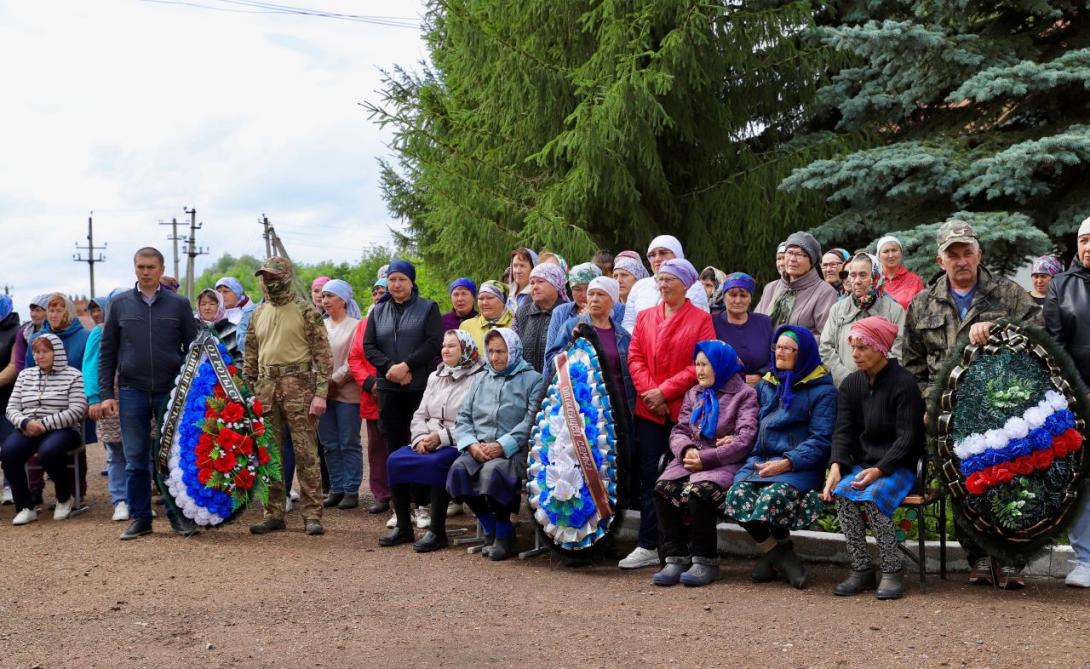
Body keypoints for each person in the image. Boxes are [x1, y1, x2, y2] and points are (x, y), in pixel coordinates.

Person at [902, 219, 1042, 587]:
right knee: (963, 485)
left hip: (1002, 407)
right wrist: (928, 405)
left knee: (1010, 479)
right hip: (948, 412)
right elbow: (912, 365)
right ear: (940, 260)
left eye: (967, 253)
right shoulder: (921, 305)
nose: (961, 260)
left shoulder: (1010, 295)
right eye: (953, 255)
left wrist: (1001, 332)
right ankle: (978, 557)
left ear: (979, 255)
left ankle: (1010, 559)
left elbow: (1038, 339)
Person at [98, 247, 198, 540]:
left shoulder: (179, 305)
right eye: (141, 266)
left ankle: (178, 516)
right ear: (134, 268)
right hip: (131, 391)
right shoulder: (119, 305)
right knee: (136, 459)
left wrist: (190, 390)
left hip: (170, 392)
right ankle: (141, 519)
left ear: (161, 268)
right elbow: (107, 353)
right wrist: (106, 393)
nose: (146, 271)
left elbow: (192, 350)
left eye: (151, 266)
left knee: (171, 458)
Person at [725, 325, 836, 589]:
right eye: (778, 347)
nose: (780, 353)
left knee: (771, 498)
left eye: (788, 348)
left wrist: (787, 462)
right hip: (760, 461)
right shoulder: (767, 384)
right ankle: (781, 554)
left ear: (804, 353)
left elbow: (821, 440)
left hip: (798, 464)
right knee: (736, 496)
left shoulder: (823, 391)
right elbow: (753, 422)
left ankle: (775, 556)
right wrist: (736, 437)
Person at [821, 316, 924, 599]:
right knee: (843, 495)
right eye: (852, 347)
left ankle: (892, 569)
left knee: (872, 496)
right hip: (864, 464)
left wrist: (880, 470)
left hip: (899, 465)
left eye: (862, 348)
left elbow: (908, 437)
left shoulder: (904, 384)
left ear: (881, 348)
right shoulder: (851, 384)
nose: (855, 354)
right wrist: (836, 466)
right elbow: (843, 431)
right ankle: (862, 569)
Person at [623, 258, 716, 569]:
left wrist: (665, 392)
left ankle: (682, 546)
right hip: (649, 411)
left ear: (685, 284)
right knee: (650, 476)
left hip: (684, 411)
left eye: (669, 280)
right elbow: (635, 357)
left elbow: (700, 364)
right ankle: (648, 543)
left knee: (684, 476)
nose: (663, 286)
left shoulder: (701, 319)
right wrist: (652, 394)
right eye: (660, 280)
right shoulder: (646, 316)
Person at [652, 340, 758, 587]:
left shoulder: (744, 394)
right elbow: (679, 430)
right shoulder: (694, 393)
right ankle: (676, 557)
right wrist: (687, 449)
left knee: (701, 494)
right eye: (697, 364)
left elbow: (745, 439)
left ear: (721, 365)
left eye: (705, 365)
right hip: (691, 459)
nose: (699, 371)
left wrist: (706, 458)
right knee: (662, 489)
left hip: (724, 463)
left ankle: (705, 560)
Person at [244, 256, 333, 537]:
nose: (268, 282)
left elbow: (324, 356)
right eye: (264, 277)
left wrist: (321, 393)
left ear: (285, 276)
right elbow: (250, 355)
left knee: (306, 453)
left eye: (272, 276)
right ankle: (273, 513)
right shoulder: (258, 313)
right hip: (266, 388)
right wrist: (250, 392)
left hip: (299, 386)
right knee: (270, 454)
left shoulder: (306, 311)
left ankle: (312, 514)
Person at [381, 330, 485, 551]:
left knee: (438, 463)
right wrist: (419, 438)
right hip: (427, 437)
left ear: (465, 349)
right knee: (394, 460)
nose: (445, 350)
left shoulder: (479, 378)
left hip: (458, 441)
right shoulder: (434, 376)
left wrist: (442, 437)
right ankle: (403, 527)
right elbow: (419, 414)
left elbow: (476, 422)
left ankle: (437, 531)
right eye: (444, 346)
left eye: (452, 346)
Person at [446, 328, 544, 561]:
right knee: (458, 470)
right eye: (490, 351)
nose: (494, 357)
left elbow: (531, 421)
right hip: (479, 447)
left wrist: (502, 445)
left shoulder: (533, 380)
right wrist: (471, 445)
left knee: (494, 471)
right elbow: (464, 418)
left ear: (513, 351)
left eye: (500, 351)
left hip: (514, 451)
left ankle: (504, 533)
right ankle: (490, 527)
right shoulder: (481, 378)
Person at [364, 259, 444, 527]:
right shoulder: (378, 311)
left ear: (412, 282)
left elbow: (434, 342)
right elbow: (369, 346)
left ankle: (421, 505)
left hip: (418, 386)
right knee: (393, 445)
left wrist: (407, 365)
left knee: (421, 443)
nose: (396, 284)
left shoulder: (427, 307)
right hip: (388, 387)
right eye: (392, 279)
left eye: (402, 279)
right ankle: (399, 509)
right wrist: (391, 369)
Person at [1044, 217, 1090, 588]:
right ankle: (1086, 558)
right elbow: (1055, 345)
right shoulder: (1061, 286)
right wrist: (1080, 389)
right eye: (1084, 240)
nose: (1089, 247)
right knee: (1082, 476)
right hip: (1079, 396)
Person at [2, 334, 88, 525]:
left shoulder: (73, 375)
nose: (40, 356)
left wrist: (44, 424)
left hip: (64, 430)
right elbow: (11, 408)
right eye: (36, 352)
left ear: (56, 352)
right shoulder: (25, 375)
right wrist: (25, 423)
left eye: (45, 351)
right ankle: (25, 507)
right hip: (28, 428)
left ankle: (65, 498)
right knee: (8, 453)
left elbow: (78, 409)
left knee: (47, 452)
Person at [545, 276, 634, 418]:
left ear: (612, 300)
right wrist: (572, 344)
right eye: (591, 294)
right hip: (579, 408)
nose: (594, 299)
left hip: (615, 412)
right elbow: (551, 364)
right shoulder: (571, 326)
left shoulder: (624, 337)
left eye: (601, 294)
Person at [819, 253, 905, 386]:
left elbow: (899, 351)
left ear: (876, 276)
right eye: (853, 275)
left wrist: (874, 381)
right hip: (844, 388)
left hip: (882, 389)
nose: (857, 281)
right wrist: (848, 381)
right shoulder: (838, 309)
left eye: (863, 275)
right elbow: (826, 348)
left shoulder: (894, 310)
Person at [82, 288, 130, 522]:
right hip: (109, 397)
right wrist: (94, 398)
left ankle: (138, 499)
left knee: (141, 451)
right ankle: (120, 500)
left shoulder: (138, 328)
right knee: (116, 451)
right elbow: (90, 366)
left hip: (137, 394)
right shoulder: (99, 332)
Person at [319, 280, 363, 510]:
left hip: (347, 392)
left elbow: (355, 357)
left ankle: (351, 489)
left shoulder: (356, 325)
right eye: (323, 296)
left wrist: (334, 380)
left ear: (343, 300)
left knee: (348, 442)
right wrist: (320, 384)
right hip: (322, 393)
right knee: (329, 442)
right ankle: (336, 488)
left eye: (330, 296)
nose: (325, 300)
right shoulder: (321, 326)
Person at [347, 298, 390, 515]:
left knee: (404, 442)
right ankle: (381, 494)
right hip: (372, 393)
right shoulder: (364, 323)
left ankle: (410, 495)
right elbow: (355, 357)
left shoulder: (399, 321)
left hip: (398, 390)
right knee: (376, 447)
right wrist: (369, 383)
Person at [756, 231, 839, 337]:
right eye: (789, 253)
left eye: (799, 254)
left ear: (811, 261)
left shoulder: (825, 292)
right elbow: (756, 324)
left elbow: (827, 337)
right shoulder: (771, 288)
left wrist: (794, 344)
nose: (792, 259)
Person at [622, 235, 710, 332]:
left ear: (677, 255)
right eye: (652, 255)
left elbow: (696, 325)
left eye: (663, 253)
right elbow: (628, 323)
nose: (657, 259)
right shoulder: (640, 286)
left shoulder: (693, 286)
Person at [712, 272, 773, 385]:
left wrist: (760, 375)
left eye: (743, 296)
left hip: (762, 388)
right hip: (724, 389)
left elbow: (774, 356)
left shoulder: (764, 322)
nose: (738, 301)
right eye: (732, 295)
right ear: (724, 297)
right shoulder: (712, 323)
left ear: (750, 299)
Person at [545, 262, 606, 361]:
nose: (583, 295)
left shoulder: (612, 310)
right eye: (577, 289)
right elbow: (550, 355)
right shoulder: (560, 312)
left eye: (588, 289)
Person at [514, 262, 566, 374]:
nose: (535, 287)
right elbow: (514, 350)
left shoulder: (567, 313)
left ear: (556, 284)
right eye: (532, 283)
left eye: (541, 282)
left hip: (557, 383)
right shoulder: (522, 313)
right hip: (526, 384)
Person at [27, 294, 90, 372]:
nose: (54, 315)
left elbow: (90, 371)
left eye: (59, 311)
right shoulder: (36, 339)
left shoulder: (86, 338)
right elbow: (29, 371)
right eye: (51, 311)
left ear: (69, 313)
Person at [875, 235, 926, 311]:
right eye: (886, 251)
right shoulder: (873, 280)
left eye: (894, 250)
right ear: (878, 256)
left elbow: (923, 310)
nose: (891, 255)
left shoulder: (915, 280)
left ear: (901, 253)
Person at [460, 280, 515, 351]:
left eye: (490, 298)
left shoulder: (515, 324)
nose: (484, 303)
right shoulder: (466, 326)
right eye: (481, 298)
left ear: (503, 300)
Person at [215, 276, 258, 353]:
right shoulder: (213, 315)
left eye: (226, 291)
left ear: (237, 292)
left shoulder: (253, 313)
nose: (221, 295)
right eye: (218, 292)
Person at [195, 289, 239, 357]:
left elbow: (239, 358)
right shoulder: (192, 328)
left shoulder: (231, 329)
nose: (207, 308)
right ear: (198, 306)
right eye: (203, 304)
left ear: (220, 306)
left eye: (212, 304)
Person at [612, 251, 649, 319]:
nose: (618, 281)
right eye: (615, 276)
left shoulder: (647, 308)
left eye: (624, 275)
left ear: (638, 278)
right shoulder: (609, 310)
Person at [506, 248, 538, 315]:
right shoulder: (506, 291)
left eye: (522, 266)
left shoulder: (537, 293)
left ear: (533, 268)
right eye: (515, 266)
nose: (518, 271)